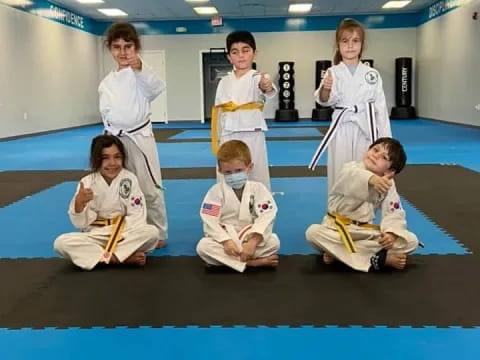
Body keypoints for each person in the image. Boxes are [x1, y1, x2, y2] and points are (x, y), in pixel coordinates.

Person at [98, 22, 167, 248]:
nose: (123, 52)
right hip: (114, 140)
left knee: (149, 187)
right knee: (118, 186)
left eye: (128, 46)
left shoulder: (141, 74)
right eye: (117, 47)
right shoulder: (106, 83)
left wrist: (140, 68)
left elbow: (157, 88)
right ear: (110, 49)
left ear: (136, 47)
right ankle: (128, 229)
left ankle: (158, 232)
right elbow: (106, 114)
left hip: (140, 138)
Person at [305, 138, 419, 272]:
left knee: (411, 241)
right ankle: (378, 259)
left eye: (384, 157)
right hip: (336, 230)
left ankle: (339, 255)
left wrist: (390, 234)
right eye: (375, 150)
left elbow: (394, 212)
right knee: (312, 233)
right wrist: (372, 180)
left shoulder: (388, 184)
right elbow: (352, 176)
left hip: (364, 232)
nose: (375, 155)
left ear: (390, 170)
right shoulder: (350, 168)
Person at [309, 18, 392, 193]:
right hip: (342, 128)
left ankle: (362, 215)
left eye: (355, 41)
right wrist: (325, 87)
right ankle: (336, 213)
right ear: (338, 45)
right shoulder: (333, 72)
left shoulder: (372, 74)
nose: (350, 46)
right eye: (345, 41)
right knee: (341, 172)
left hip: (366, 129)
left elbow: (381, 110)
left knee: (365, 172)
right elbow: (323, 100)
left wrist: (386, 143)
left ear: (362, 44)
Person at [54, 135, 160, 270]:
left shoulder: (129, 179)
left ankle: (98, 256)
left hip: (124, 233)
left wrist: (120, 236)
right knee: (61, 243)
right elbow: (80, 223)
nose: (112, 163)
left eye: (117, 157)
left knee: (151, 233)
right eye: (105, 158)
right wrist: (79, 203)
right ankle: (118, 258)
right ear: (96, 159)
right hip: (97, 235)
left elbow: (137, 215)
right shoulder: (87, 182)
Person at [197, 140, 280, 272]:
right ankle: (251, 263)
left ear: (249, 167)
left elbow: (267, 216)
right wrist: (225, 241)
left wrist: (253, 242)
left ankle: (226, 262)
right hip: (226, 240)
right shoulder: (215, 191)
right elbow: (209, 219)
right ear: (220, 170)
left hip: (250, 238)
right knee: (203, 247)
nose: (233, 175)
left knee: (274, 242)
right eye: (228, 172)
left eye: (239, 170)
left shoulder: (258, 189)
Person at [212, 30, 277, 190]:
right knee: (227, 173)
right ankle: (229, 209)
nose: (241, 56)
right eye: (235, 52)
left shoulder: (258, 77)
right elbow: (219, 112)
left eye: (246, 50)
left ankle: (261, 210)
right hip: (228, 133)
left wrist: (266, 86)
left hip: (252, 132)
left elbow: (267, 89)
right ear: (229, 57)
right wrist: (219, 137)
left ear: (255, 53)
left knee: (256, 173)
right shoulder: (224, 81)